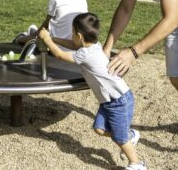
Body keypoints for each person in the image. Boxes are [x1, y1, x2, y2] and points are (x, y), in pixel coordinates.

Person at [38, 13, 146, 170]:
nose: (71, 36)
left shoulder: (85, 54)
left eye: (72, 32)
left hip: (119, 101)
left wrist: (47, 39)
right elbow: (73, 45)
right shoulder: (92, 47)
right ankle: (130, 135)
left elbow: (61, 55)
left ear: (80, 36)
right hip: (110, 101)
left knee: (119, 138)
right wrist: (53, 39)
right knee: (99, 129)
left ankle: (137, 164)